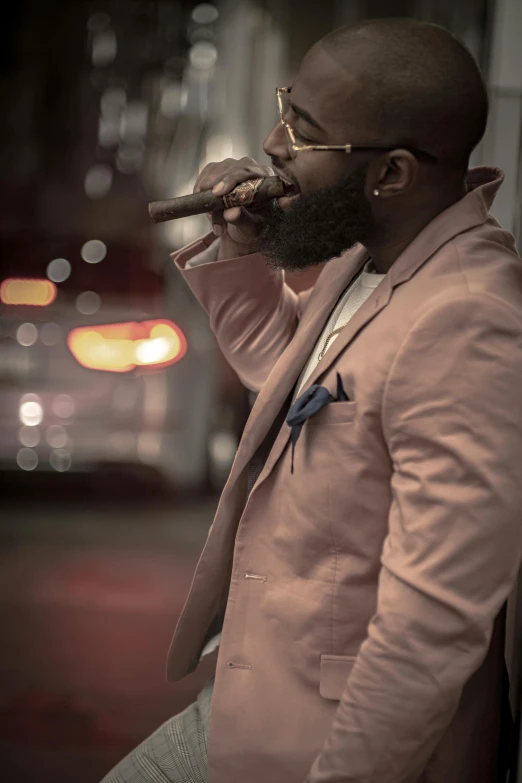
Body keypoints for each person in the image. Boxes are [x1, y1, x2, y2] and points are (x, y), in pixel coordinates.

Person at [101, 17, 522, 783]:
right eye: (285, 104)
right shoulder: (375, 253)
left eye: (305, 129)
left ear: (391, 173)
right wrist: (243, 247)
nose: (273, 139)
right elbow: (293, 376)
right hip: (254, 702)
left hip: (326, 742)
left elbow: (432, 626)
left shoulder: (467, 319)